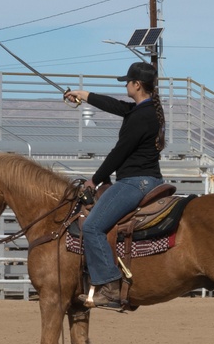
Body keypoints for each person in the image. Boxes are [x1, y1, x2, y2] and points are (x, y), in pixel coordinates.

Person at [64, 61, 165, 309]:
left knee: (92, 227)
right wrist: (83, 95)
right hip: (147, 179)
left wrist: (95, 179)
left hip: (135, 182)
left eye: (128, 82)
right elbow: (117, 107)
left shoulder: (142, 116)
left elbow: (119, 153)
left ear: (137, 84)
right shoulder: (146, 110)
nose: (126, 85)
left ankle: (109, 286)